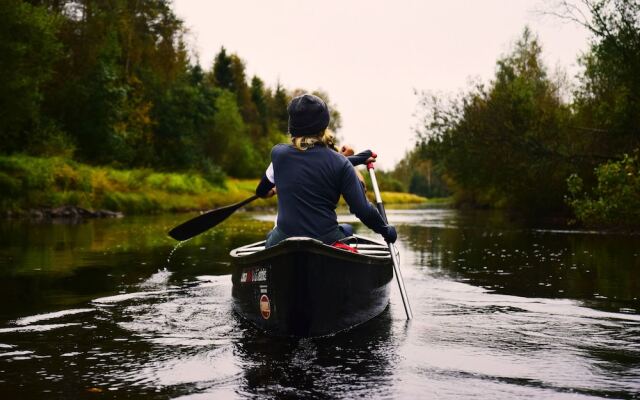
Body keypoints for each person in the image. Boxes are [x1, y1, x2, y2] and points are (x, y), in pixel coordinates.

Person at [255, 93, 397, 248]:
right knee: (348, 230)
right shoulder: (340, 164)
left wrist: (271, 191)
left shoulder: (278, 155)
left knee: (271, 236)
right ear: (324, 126)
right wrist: (385, 230)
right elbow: (363, 210)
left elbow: (261, 191)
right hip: (326, 240)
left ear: (292, 128)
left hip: (283, 238)